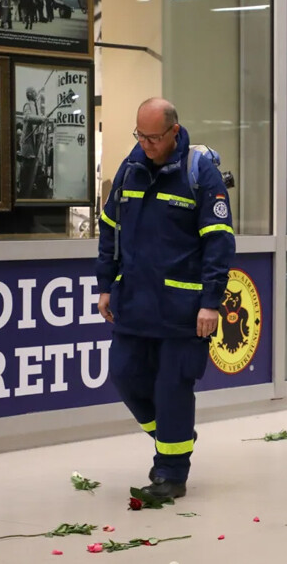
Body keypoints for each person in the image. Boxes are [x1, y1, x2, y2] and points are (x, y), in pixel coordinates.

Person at [95, 98, 236, 500]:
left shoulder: (198, 172)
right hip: (135, 302)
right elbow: (110, 228)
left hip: (184, 310)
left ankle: (171, 474)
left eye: (154, 137)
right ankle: (175, 435)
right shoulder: (131, 166)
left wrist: (212, 301)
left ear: (175, 131)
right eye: (140, 135)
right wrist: (106, 284)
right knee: (124, 374)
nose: (147, 144)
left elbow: (219, 242)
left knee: (172, 387)